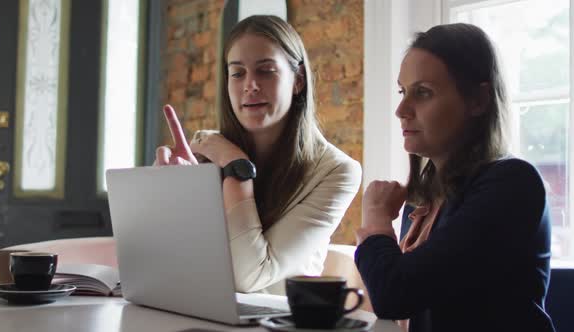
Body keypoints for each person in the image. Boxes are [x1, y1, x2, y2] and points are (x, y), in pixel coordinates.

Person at [354, 23, 555, 332]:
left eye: (422, 93)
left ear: (478, 100)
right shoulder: (425, 197)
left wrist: (377, 222)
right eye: (402, 91)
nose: (401, 109)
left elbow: (395, 295)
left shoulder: (513, 184)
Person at [154, 15, 362, 294]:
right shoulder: (206, 153)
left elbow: (250, 276)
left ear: (298, 80)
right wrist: (168, 196)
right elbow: (167, 262)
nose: (250, 85)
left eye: (265, 70)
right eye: (237, 73)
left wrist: (236, 167)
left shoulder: (337, 171)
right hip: (203, 312)